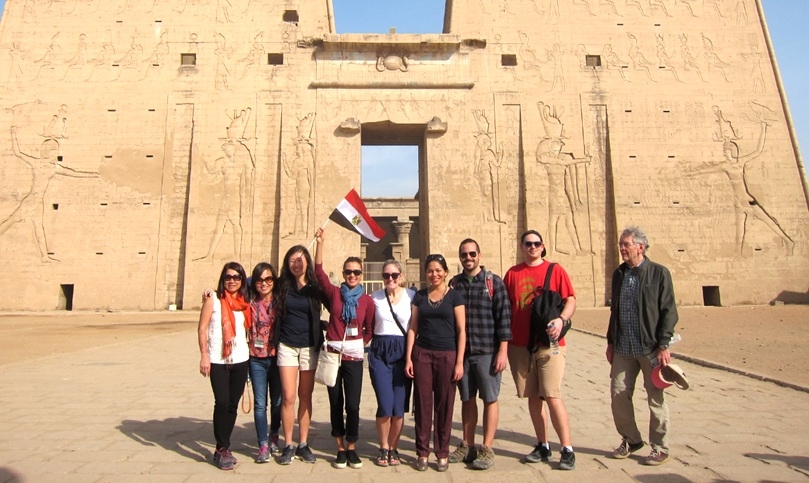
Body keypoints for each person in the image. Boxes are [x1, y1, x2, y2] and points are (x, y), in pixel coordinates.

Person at [504, 230, 577, 470]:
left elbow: (570, 299)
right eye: (528, 243)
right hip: (520, 345)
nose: (532, 247)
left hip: (549, 344)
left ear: (542, 247)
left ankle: (567, 448)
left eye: (536, 243)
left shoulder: (555, 270)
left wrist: (562, 320)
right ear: (522, 246)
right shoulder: (513, 274)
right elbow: (504, 307)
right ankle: (543, 444)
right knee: (533, 397)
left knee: (552, 394)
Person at [606, 226, 679, 465]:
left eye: (626, 244)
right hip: (623, 347)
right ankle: (631, 439)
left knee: (655, 397)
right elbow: (614, 311)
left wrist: (664, 344)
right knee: (618, 393)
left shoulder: (658, 273)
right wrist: (610, 341)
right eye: (621, 244)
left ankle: (660, 446)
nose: (622, 249)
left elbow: (669, 311)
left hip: (649, 347)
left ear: (641, 246)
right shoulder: (619, 274)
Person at [447, 239, 512, 470]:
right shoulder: (455, 285)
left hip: (487, 350)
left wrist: (503, 351)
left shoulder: (494, 282)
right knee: (467, 399)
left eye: (472, 253)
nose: (468, 257)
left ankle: (487, 448)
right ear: (460, 257)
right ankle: (468, 444)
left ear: (479, 255)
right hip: (463, 353)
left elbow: (504, 318)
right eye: (464, 254)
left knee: (490, 398)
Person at [313, 227, 375, 469]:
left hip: (353, 358)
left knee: (353, 404)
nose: (352, 275)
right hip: (333, 357)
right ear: (343, 273)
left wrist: (360, 344)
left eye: (356, 272)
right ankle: (339, 447)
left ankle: (352, 445)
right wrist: (320, 243)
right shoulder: (334, 295)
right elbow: (318, 273)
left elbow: (369, 328)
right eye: (348, 271)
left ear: (360, 275)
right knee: (336, 402)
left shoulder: (366, 301)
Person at [405, 254, 466, 472]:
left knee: (444, 404)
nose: (434, 274)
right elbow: (413, 327)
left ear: (446, 272)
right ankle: (422, 451)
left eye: (438, 270)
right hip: (423, 353)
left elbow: (461, 331)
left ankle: (442, 451)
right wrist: (409, 357)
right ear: (426, 273)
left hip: (447, 354)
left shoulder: (454, 297)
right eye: (430, 271)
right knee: (422, 404)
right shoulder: (420, 297)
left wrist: (459, 362)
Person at [197, 262, 253, 470]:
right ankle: (221, 447)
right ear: (223, 279)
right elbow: (202, 329)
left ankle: (224, 447)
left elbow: (265, 283)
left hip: (240, 359)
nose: (232, 281)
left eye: (237, 277)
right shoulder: (213, 300)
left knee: (232, 405)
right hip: (218, 360)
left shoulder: (245, 302)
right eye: (228, 277)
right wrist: (204, 355)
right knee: (221, 402)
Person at [274, 245, 324, 465]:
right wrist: (214, 292)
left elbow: (331, 292)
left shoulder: (314, 288)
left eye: (300, 260)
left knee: (305, 396)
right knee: (288, 397)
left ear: (307, 262)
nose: (296, 264)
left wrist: (320, 245)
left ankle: (303, 443)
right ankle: (288, 444)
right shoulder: (281, 286)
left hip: (308, 347)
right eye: (292, 260)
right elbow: (256, 286)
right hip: (287, 345)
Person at [368, 260, 416, 467]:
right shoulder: (374, 298)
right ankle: (383, 446)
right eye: (386, 276)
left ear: (401, 276)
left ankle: (393, 447)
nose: (390, 279)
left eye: (394, 275)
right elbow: (365, 322)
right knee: (385, 404)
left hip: (403, 352)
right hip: (380, 351)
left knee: (398, 407)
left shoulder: (412, 297)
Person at [247, 262, 283, 463]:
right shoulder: (249, 302)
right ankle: (262, 444)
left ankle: (274, 435)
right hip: (256, 359)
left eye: (269, 279)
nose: (264, 283)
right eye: (260, 279)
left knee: (277, 402)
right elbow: (234, 286)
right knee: (260, 404)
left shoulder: (280, 301)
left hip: (277, 357)